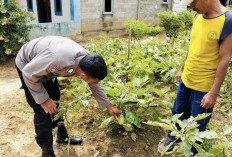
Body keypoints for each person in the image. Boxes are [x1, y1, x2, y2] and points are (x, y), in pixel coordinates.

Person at [15, 36, 121, 157]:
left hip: (45, 67)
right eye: (91, 80)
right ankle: (47, 152)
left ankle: (62, 136)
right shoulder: (58, 59)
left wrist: (109, 106)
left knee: (55, 101)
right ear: (83, 75)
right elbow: (29, 73)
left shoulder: (87, 61)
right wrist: (43, 100)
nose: (93, 83)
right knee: (42, 110)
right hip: (27, 64)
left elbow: (95, 84)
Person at [158, 0, 232, 155]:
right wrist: (181, 68)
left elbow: (224, 60)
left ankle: (192, 151)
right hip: (186, 79)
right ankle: (171, 140)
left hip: (203, 87)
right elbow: (193, 47)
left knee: (196, 125)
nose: (190, 6)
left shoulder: (227, 21)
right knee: (177, 112)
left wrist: (213, 93)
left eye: (193, 2)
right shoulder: (197, 17)